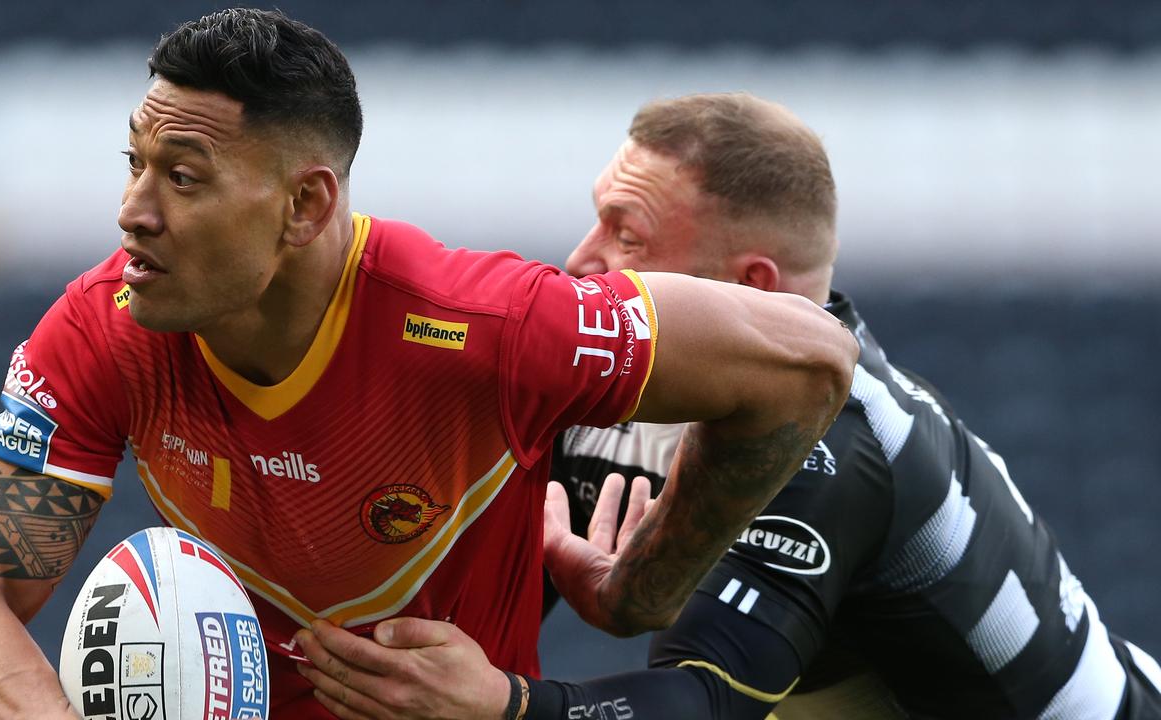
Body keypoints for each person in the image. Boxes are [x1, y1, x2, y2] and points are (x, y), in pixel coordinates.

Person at [0, 12, 859, 720]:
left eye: (182, 178)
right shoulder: (108, 325)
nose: (133, 211)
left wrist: (643, 587)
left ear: (306, 207)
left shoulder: (487, 325)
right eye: (135, 163)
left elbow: (809, 361)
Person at [295, 93, 1161, 719]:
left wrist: (510, 707)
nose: (580, 259)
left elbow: (705, 700)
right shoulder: (605, 376)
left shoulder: (830, 448)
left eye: (627, 235)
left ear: (751, 286)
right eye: (595, 221)